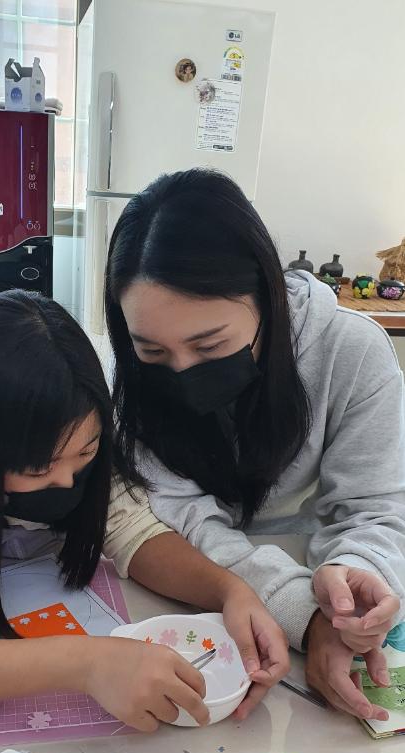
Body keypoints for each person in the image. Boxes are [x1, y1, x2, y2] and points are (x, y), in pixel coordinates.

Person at [0, 290, 289, 732]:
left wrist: (229, 591)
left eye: (86, 452)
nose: (66, 479)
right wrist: (88, 663)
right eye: (37, 467)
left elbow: (135, 532)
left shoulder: (81, 437)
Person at [105, 167, 405, 722]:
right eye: (153, 351)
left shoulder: (353, 352)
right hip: (184, 579)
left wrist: (352, 583)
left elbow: (375, 507)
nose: (183, 371)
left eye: (209, 344)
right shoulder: (123, 377)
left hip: (305, 565)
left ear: (267, 296)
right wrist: (303, 615)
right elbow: (179, 515)